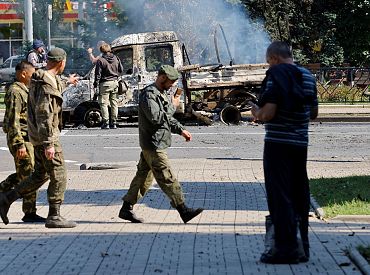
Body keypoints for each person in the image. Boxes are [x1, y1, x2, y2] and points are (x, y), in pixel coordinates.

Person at [250, 41, 318, 264]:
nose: (268, 67)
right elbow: (314, 113)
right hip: (300, 143)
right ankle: (302, 248)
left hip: (277, 144)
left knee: (280, 195)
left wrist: (256, 111)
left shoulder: (276, 75)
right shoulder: (308, 76)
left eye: (269, 62)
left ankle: (285, 249)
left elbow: (268, 113)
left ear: (275, 59)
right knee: (299, 193)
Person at [0, 47, 79, 228]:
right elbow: (44, 113)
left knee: (39, 175)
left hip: (35, 138)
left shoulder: (41, 80)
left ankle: (7, 198)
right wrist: (48, 143)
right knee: (59, 175)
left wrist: (69, 82)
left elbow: (54, 88)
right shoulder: (39, 85)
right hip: (45, 138)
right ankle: (54, 215)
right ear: (61, 62)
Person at [118, 65, 203, 224]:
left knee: (143, 178)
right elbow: (156, 117)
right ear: (162, 77)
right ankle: (183, 209)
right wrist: (173, 106)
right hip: (153, 145)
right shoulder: (149, 95)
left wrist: (180, 130)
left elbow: (166, 117)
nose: (172, 85)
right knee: (167, 176)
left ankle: (126, 208)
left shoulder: (160, 93)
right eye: (171, 81)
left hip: (155, 143)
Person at [0, 61, 46, 223]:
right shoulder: (15, 92)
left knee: (27, 174)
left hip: (28, 138)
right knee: (29, 174)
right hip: (20, 139)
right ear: (23, 73)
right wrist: (19, 144)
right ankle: (29, 212)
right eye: (32, 74)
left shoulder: (25, 90)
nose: (34, 77)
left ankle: (3, 193)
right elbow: (12, 120)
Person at [93, 43, 123, 129]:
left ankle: (105, 123)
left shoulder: (101, 60)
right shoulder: (116, 58)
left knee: (103, 103)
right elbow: (121, 69)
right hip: (115, 83)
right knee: (114, 103)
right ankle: (114, 123)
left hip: (105, 84)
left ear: (101, 51)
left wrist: (96, 85)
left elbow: (97, 74)